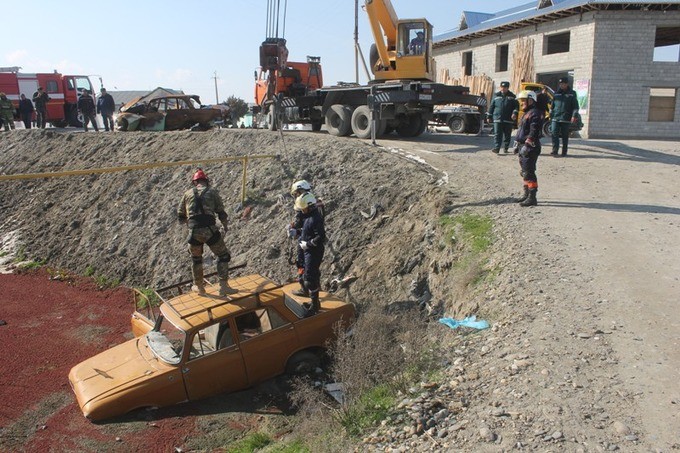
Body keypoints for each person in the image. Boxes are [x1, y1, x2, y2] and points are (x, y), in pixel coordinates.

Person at [177, 168, 237, 297]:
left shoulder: (187, 194)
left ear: (195, 182)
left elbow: (181, 216)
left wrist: (189, 227)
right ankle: (223, 286)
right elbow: (221, 212)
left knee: (196, 259)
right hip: (210, 230)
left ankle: (199, 287)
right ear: (206, 181)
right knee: (223, 256)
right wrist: (225, 226)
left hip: (193, 232)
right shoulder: (212, 192)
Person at [287, 180, 324, 297]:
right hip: (307, 237)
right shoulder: (311, 202)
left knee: (307, 266)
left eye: (297, 193)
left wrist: (297, 231)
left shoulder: (308, 204)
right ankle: (311, 287)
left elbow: (305, 223)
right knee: (306, 265)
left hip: (309, 239)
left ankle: (310, 289)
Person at [296, 192, 326, 317]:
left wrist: (308, 244)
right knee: (306, 276)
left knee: (310, 280)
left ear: (310, 206)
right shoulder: (307, 216)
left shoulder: (315, 218)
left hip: (314, 251)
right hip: (307, 250)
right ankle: (315, 303)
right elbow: (301, 225)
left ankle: (315, 306)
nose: (302, 210)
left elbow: (321, 237)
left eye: (303, 208)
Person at [514, 90, 544, 207]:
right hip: (523, 146)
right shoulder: (527, 113)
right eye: (520, 101)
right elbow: (521, 131)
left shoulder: (534, 113)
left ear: (530, 100)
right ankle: (526, 194)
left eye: (523, 101)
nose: (521, 103)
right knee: (524, 172)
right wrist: (517, 143)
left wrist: (528, 143)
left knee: (529, 172)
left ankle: (532, 197)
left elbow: (534, 130)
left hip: (530, 147)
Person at [550, 77, 579, 157]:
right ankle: (555, 150)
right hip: (556, 117)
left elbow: (575, 107)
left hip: (565, 118)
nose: (561, 85)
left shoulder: (572, 93)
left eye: (563, 84)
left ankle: (564, 152)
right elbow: (552, 106)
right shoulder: (556, 93)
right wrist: (551, 114)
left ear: (567, 84)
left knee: (564, 136)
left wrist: (574, 116)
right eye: (560, 84)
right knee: (554, 134)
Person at [486, 81, 518, 153]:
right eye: (502, 87)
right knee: (497, 134)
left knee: (507, 135)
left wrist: (514, 113)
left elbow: (516, 107)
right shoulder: (496, 96)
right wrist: (489, 116)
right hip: (497, 118)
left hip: (508, 119)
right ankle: (497, 148)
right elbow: (491, 106)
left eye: (505, 87)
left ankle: (506, 148)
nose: (503, 89)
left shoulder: (512, 96)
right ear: (500, 87)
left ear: (508, 88)